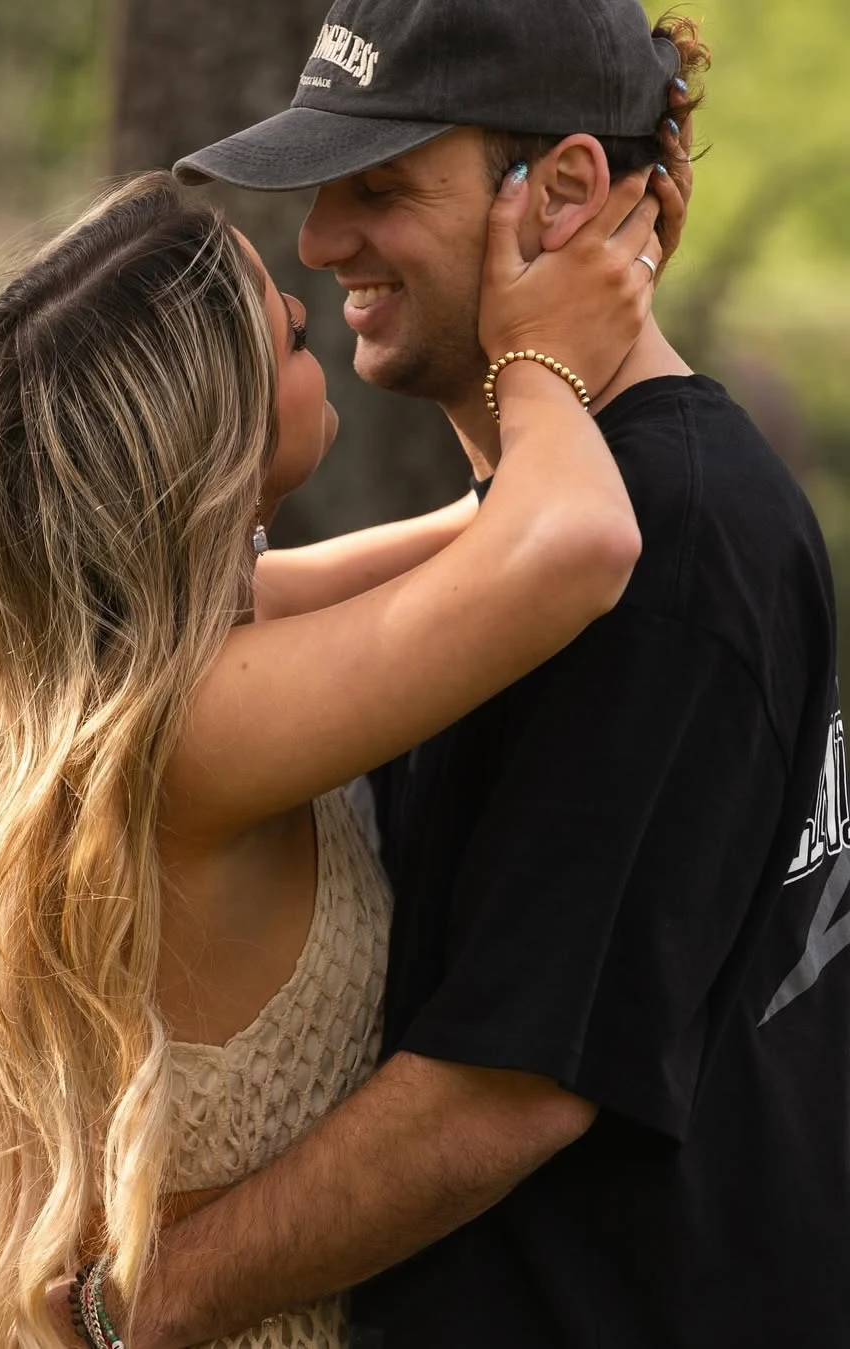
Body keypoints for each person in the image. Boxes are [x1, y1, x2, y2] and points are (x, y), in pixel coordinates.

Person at [66, 1, 847, 1347]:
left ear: (563, 193)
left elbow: (504, 1088)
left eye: (380, 188)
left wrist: (127, 1308)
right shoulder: (544, 543)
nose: (319, 243)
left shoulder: (664, 542)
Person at [0, 153, 669, 1348]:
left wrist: (579, 287)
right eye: (282, 338)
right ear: (211, 438)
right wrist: (535, 355)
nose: (304, 299)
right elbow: (574, 540)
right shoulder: (190, 729)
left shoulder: (137, 663)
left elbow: (489, 533)